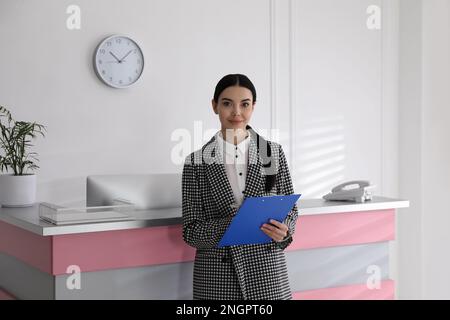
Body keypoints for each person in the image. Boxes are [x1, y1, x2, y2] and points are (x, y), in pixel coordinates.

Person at [182, 74, 298, 300]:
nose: (236, 112)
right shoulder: (196, 162)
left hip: (267, 274)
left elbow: (291, 210)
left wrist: (285, 230)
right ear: (214, 106)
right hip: (217, 278)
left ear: (253, 106)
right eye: (227, 103)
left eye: (245, 104)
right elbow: (191, 232)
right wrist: (236, 224)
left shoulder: (272, 153)